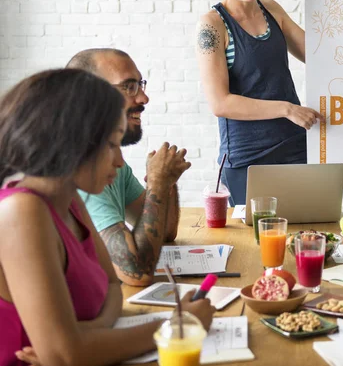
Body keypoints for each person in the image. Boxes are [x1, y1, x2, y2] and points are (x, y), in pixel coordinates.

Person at [0, 69, 214, 366]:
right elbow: (65, 354)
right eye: (112, 144)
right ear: (71, 142)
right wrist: (178, 324)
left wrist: (85, 335)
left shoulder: (71, 199)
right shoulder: (21, 212)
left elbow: (112, 289)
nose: (120, 161)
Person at [195, 0, 332, 205]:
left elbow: (322, 58)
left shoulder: (273, 10)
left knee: (307, 239)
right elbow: (220, 103)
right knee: (255, 245)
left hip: (295, 149)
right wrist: (286, 108)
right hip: (248, 160)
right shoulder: (213, 25)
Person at [66, 48, 191, 286]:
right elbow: (137, 273)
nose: (144, 98)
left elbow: (164, 232)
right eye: (129, 87)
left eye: (140, 85)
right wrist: (157, 182)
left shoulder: (113, 162)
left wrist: (166, 182)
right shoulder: (84, 172)